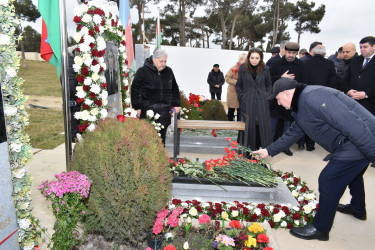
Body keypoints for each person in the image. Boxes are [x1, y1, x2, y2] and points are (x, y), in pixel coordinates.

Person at [253, 77, 375, 241]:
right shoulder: (302, 104)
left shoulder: (313, 97)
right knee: (352, 172)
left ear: (286, 93)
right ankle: (358, 208)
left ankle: (320, 228)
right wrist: (269, 151)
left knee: (329, 179)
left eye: (278, 99)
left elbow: (353, 125)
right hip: (353, 140)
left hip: (360, 138)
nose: (279, 103)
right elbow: (294, 132)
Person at [131, 49, 181, 145]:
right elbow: (135, 89)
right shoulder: (143, 71)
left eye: (165, 61)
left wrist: (176, 104)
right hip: (148, 110)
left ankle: (160, 157)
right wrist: (137, 106)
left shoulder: (169, 71)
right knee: (147, 138)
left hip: (164, 110)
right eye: (161, 61)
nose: (163, 64)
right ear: (154, 59)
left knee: (161, 139)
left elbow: (174, 88)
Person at [269, 42, 305, 156]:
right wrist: (281, 78)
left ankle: (285, 147)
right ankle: (269, 147)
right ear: (284, 51)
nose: (291, 55)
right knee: (272, 126)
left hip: (291, 102)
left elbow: (304, 82)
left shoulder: (301, 65)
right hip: (276, 100)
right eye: (289, 52)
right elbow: (268, 79)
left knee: (287, 127)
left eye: (294, 53)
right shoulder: (276, 63)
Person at [298, 45, 336, 151]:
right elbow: (332, 83)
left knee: (303, 119)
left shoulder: (305, 63)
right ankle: (310, 145)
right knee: (316, 121)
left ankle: (301, 143)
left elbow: (301, 80)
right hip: (322, 97)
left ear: (313, 53)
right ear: (324, 54)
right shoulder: (330, 64)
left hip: (306, 95)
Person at [236, 48, 272, 150]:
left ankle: (260, 149)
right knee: (249, 125)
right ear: (249, 57)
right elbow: (239, 84)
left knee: (261, 125)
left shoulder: (266, 69)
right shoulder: (243, 68)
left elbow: (269, 84)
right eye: (252, 57)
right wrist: (242, 97)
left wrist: (267, 95)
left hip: (262, 102)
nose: (254, 60)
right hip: (248, 101)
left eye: (257, 58)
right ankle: (248, 148)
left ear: (260, 59)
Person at [345, 36, 375, 116]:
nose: (362, 49)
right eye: (361, 47)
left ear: (374, 46)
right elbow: (346, 79)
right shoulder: (355, 61)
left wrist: (366, 94)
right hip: (354, 104)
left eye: (365, 47)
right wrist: (348, 90)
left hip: (371, 105)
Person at [225, 53, 247, 121]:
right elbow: (227, 78)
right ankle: (229, 125)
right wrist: (236, 82)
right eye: (245, 60)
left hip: (243, 94)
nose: (246, 61)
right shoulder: (233, 68)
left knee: (240, 112)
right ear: (240, 60)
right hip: (233, 93)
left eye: (247, 60)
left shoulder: (248, 69)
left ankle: (239, 127)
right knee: (231, 110)